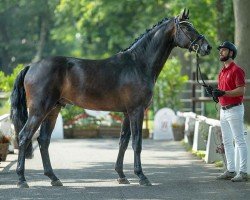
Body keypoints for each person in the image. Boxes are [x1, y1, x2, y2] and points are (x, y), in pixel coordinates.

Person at [210, 41, 248, 182]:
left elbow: (241, 90)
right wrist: (215, 94)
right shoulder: (222, 72)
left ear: (231, 53)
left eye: (224, 50)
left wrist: (223, 93)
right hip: (224, 110)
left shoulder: (237, 70)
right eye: (220, 50)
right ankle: (231, 170)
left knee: (239, 141)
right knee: (226, 141)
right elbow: (222, 92)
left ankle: (243, 172)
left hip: (235, 110)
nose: (220, 52)